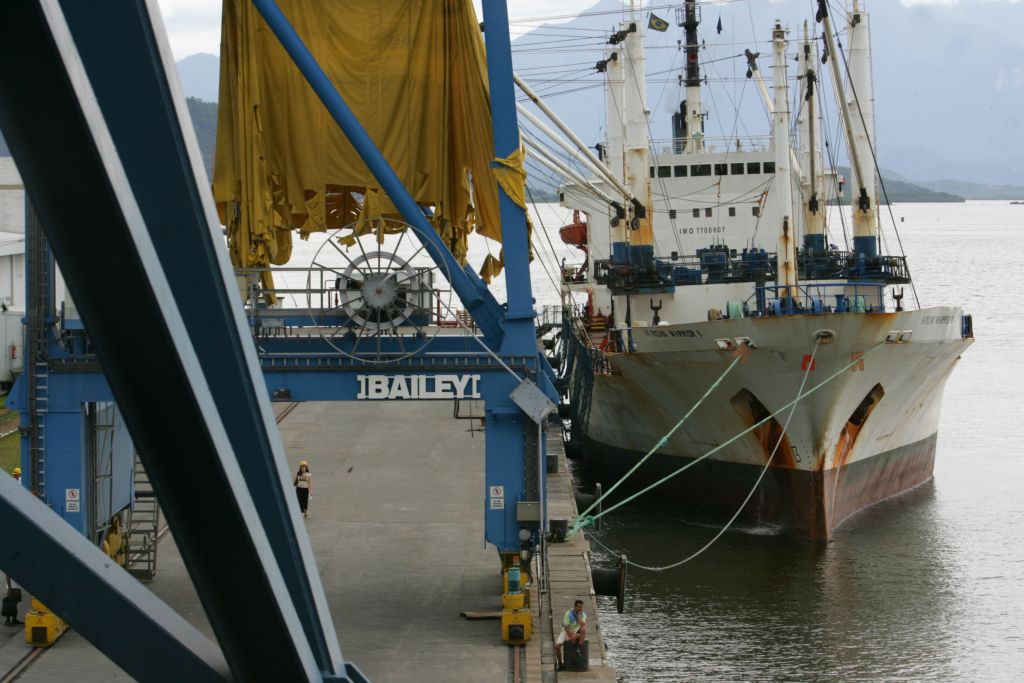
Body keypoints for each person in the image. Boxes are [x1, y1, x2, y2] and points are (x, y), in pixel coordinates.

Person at [554, 599, 587, 671]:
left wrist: (579, 617)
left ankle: (580, 644)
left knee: (583, 630)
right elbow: (566, 627)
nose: (580, 609)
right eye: (578, 607)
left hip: (576, 630)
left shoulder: (583, 614)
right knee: (557, 646)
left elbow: (582, 625)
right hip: (566, 631)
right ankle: (559, 663)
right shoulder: (568, 613)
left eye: (581, 607)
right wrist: (570, 635)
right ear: (575, 607)